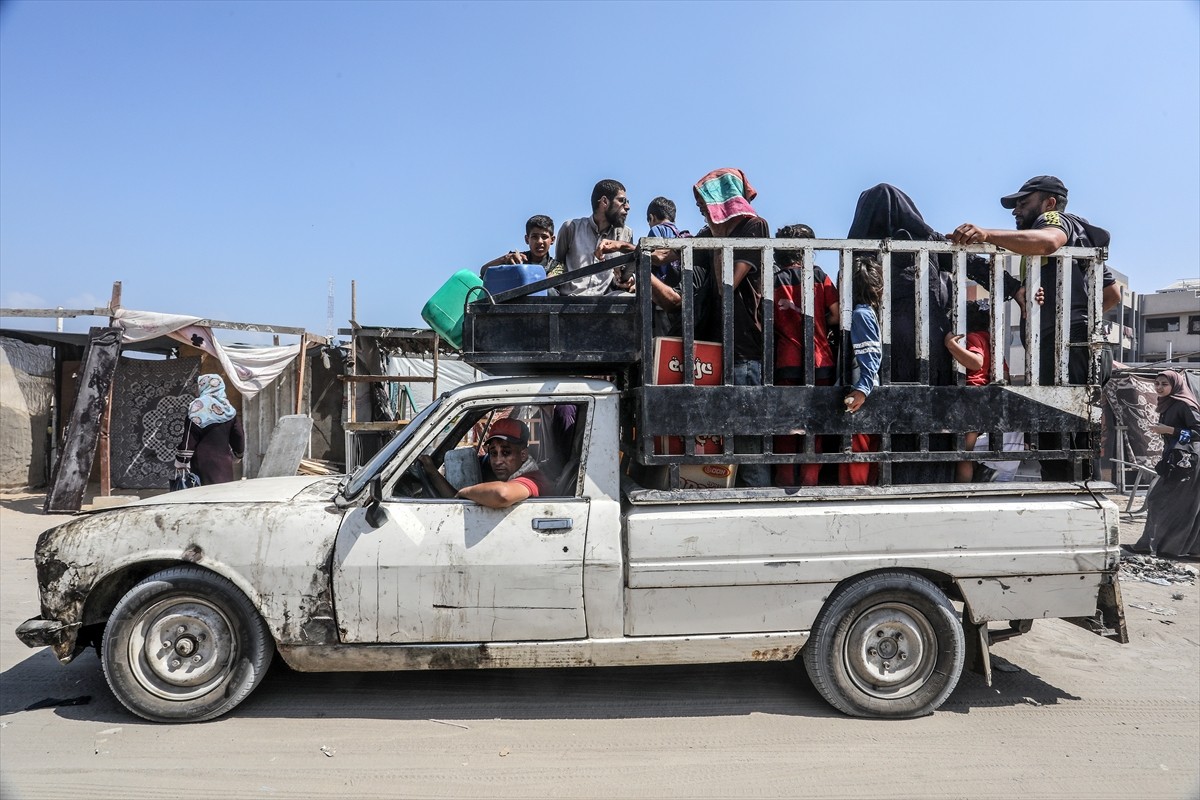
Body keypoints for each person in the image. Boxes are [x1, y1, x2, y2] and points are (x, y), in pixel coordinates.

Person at [949, 175, 1119, 387]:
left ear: (1050, 203)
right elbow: (1113, 294)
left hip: (1068, 345)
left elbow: (1049, 241)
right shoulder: (1081, 237)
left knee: (1058, 415)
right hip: (1082, 344)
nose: (1015, 211)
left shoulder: (1051, 220)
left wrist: (986, 235)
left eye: (1023, 203)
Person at [691, 168, 771, 486]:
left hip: (744, 349)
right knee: (721, 438)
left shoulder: (754, 226)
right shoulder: (711, 233)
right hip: (715, 348)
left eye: (703, 201)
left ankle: (756, 505)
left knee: (747, 439)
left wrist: (717, 235)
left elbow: (728, 283)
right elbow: (666, 256)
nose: (699, 208)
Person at [773, 223, 839, 486]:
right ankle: (809, 484)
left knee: (785, 431)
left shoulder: (773, 280)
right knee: (815, 430)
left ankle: (783, 484)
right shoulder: (820, 276)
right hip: (820, 361)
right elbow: (835, 314)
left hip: (785, 362)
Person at [1130, 371, 1200, 558]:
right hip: (1176, 460)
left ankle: (1161, 546)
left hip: (1188, 462)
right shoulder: (1168, 404)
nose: (1159, 387)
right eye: (1157, 383)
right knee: (1175, 503)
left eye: (1164, 384)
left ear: (1174, 385)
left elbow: (1198, 433)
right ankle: (1164, 547)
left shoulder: (1184, 404)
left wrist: (1170, 430)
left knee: (1160, 499)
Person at [419, 417, 551, 509]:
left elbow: (502, 495)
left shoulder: (532, 478)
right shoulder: (507, 473)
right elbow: (457, 500)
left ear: (523, 454)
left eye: (506, 453)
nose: (498, 461)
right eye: (493, 453)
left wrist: (465, 491)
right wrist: (432, 471)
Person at [944, 299, 1007, 482]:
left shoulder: (974, 337)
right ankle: (982, 474)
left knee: (964, 451)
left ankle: (963, 488)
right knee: (967, 449)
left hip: (971, 399)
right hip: (986, 399)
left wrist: (952, 345)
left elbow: (976, 361)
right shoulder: (992, 341)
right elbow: (1004, 373)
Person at [840, 256, 883, 486]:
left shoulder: (860, 314)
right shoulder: (864, 313)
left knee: (857, 461)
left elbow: (871, 355)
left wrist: (862, 389)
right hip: (861, 395)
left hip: (859, 397)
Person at [555, 179, 634, 296]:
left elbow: (626, 271)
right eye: (622, 201)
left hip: (606, 304)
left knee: (631, 299)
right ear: (604, 201)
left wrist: (629, 280)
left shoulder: (626, 233)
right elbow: (558, 264)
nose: (627, 207)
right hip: (569, 302)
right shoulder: (570, 228)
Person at [174, 373, 244, 485]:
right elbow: (238, 435)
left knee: (204, 498)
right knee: (223, 497)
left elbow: (189, 438)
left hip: (202, 465)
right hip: (225, 466)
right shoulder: (228, 409)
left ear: (204, 386)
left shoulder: (198, 407)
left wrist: (182, 460)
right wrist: (238, 454)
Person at [480, 214, 564, 281]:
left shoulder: (557, 267)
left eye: (544, 237)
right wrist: (504, 259)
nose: (539, 241)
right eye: (534, 237)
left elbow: (544, 285)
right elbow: (484, 272)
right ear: (527, 239)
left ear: (552, 240)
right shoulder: (516, 259)